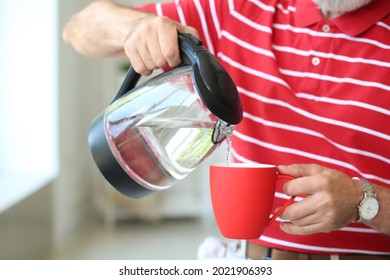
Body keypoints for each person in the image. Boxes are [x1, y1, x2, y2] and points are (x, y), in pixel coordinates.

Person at [63, 0, 390, 259]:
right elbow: (78, 29)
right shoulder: (236, 10)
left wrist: (364, 201)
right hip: (251, 261)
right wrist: (136, 27)